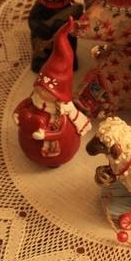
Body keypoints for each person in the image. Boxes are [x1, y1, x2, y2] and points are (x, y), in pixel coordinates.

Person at [14, 17, 91, 166]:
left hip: (55, 146)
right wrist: (17, 113)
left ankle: (54, 161)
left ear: (58, 94)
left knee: (62, 144)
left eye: (47, 90)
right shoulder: (34, 100)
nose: (42, 93)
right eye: (41, 87)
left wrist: (45, 134)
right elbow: (25, 104)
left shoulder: (62, 113)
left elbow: (61, 131)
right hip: (30, 138)